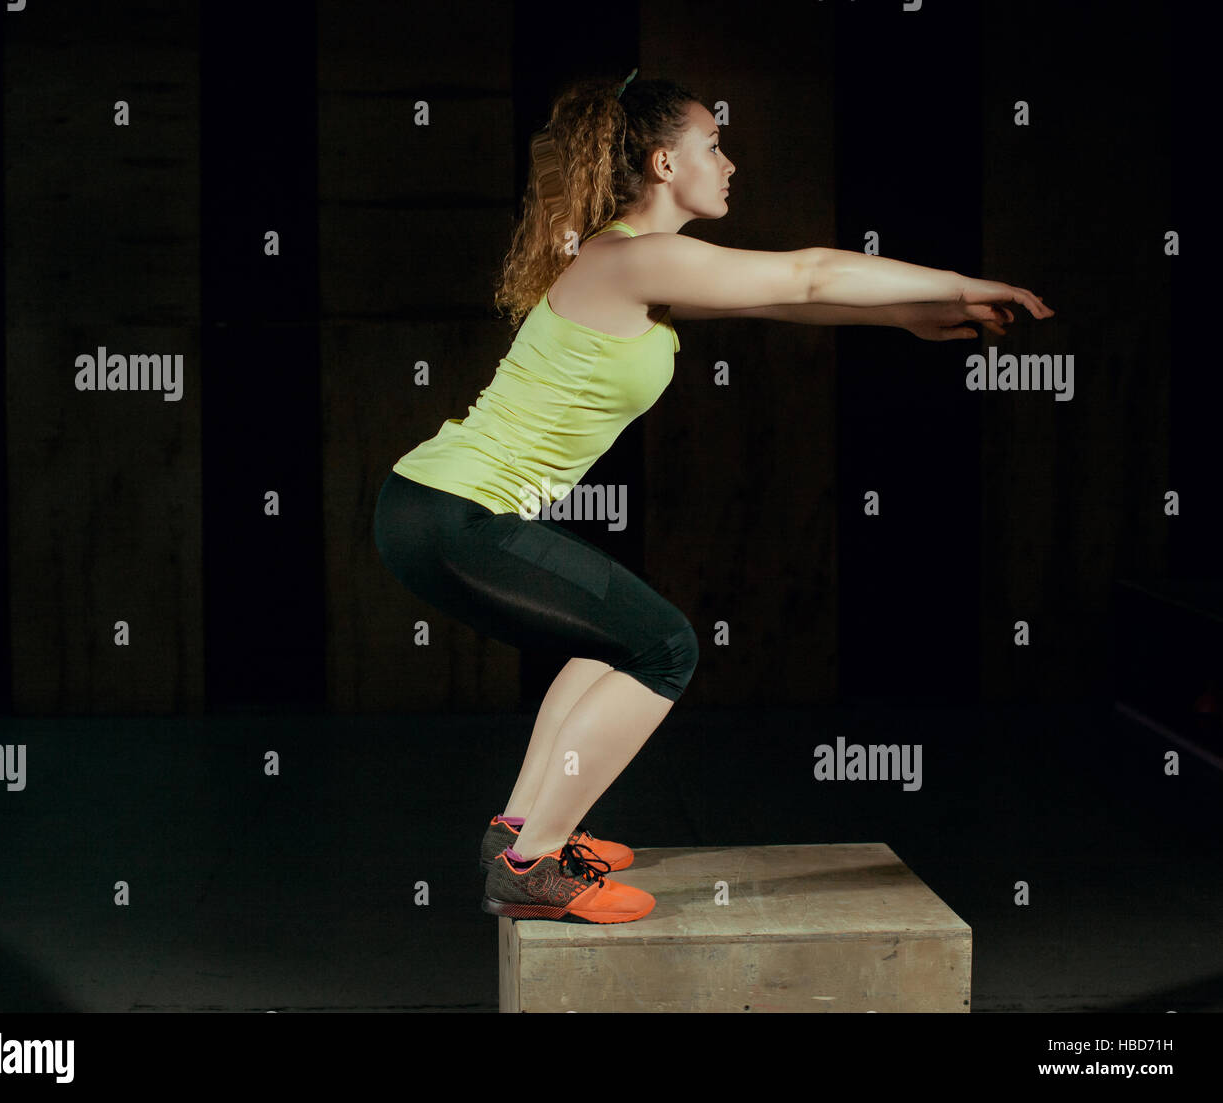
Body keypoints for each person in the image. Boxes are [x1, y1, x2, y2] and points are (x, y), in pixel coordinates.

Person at [373, 71, 1054, 925]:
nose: (729, 163)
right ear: (663, 163)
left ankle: (521, 826)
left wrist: (905, 317)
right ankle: (532, 862)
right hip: (451, 514)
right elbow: (806, 275)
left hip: (433, 511)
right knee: (665, 647)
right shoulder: (631, 255)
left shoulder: (636, 263)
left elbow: (783, 299)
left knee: (607, 640)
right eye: (712, 146)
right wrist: (953, 281)